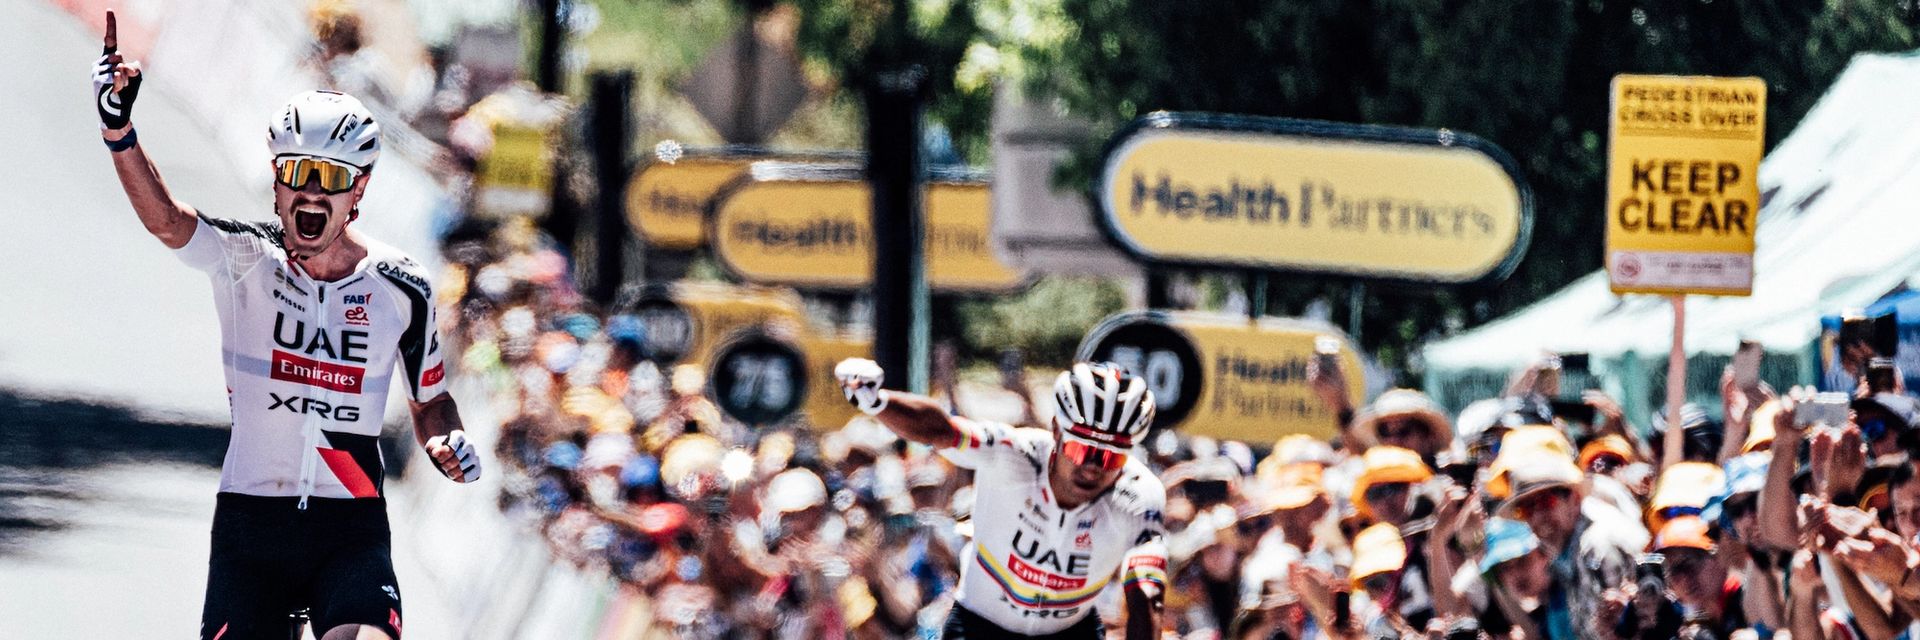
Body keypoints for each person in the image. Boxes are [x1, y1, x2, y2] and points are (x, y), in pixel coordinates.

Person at [94, 12, 480, 639]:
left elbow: (432, 402)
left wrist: (446, 440)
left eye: (331, 180)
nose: (312, 194)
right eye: (298, 174)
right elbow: (167, 219)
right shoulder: (245, 258)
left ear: (359, 191)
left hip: (349, 524)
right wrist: (119, 132)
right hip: (253, 526)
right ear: (276, 181)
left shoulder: (400, 285)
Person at [835, 358, 1169, 639]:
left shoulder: (1140, 496)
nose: (1092, 468)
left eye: (1111, 457)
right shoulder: (1014, 453)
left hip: (1070, 632)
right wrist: (876, 401)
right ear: (1056, 431)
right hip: (980, 626)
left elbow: (1146, 598)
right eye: (1080, 450)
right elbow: (942, 429)